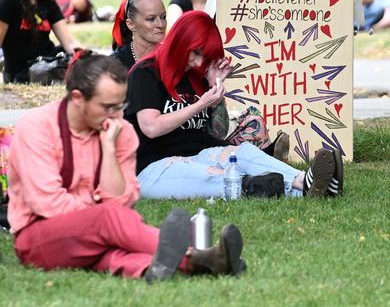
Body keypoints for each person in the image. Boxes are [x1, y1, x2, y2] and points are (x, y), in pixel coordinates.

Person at [8, 52, 245, 280]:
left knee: (118, 256)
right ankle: (199, 254)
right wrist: (99, 215)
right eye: (108, 107)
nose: (116, 115)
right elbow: (49, 204)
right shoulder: (37, 127)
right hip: (38, 237)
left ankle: (200, 264)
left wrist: (109, 150)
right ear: (78, 99)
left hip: (95, 235)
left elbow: (122, 202)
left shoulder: (120, 132)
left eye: (121, 105)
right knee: (109, 222)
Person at [126, 10, 343, 199]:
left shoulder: (195, 76)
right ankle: (304, 189)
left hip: (197, 155)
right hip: (154, 168)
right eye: (197, 52)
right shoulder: (145, 73)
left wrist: (214, 87)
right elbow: (151, 128)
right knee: (213, 176)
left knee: (244, 152)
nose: (200, 62)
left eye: (206, 56)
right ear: (181, 41)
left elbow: (217, 132)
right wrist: (200, 104)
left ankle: (305, 181)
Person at [0, 0, 80, 83]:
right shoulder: (8, 1)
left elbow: (69, 42)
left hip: (49, 64)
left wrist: (85, 58)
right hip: (21, 73)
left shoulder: (48, 3)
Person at [111, 0, 166, 70]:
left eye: (163, 17)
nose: (160, 24)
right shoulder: (116, 64)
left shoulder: (174, 57)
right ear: (131, 24)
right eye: (151, 19)